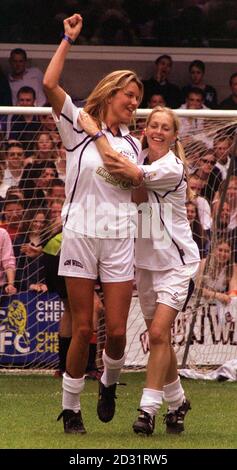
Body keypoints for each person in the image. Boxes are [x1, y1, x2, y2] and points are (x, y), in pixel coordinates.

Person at [43, 13, 143, 434]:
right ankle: (70, 409)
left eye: (138, 98)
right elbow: (50, 85)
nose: (135, 103)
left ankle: (109, 382)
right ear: (111, 93)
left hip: (120, 238)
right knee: (82, 327)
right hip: (81, 235)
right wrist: (67, 40)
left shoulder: (132, 143)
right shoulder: (76, 127)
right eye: (130, 96)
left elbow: (132, 181)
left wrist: (105, 142)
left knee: (117, 333)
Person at [79, 105, 200, 436]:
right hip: (145, 265)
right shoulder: (139, 154)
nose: (159, 131)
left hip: (177, 264)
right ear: (146, 130)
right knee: (160, 340)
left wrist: (96, 133)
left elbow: (124, 172)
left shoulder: (171, 167)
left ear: (174, 135)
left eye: (165, 127)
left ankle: (147, 410)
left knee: (159, 334)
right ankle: (178, 403)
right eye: (153, 125)